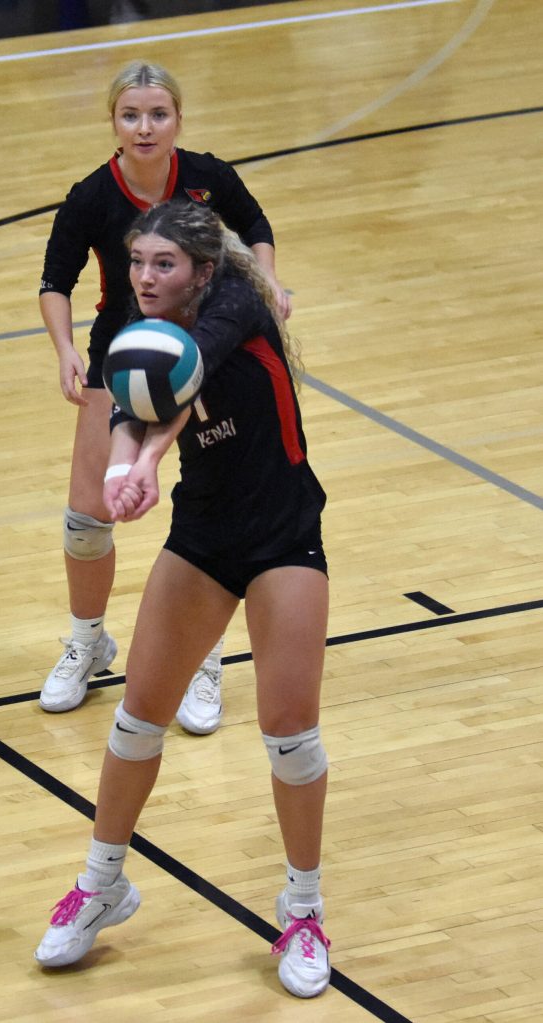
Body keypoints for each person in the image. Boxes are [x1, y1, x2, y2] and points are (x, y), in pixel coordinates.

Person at [34, 201, 331, 999]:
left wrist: (152, 460)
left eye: (162, 264)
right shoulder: (144, 316)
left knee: (288, 732)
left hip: (281, 536)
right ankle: (102, 885)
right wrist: (117, 473)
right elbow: (135, 407)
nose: (144, 277)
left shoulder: (237, 299)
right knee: (137, 720)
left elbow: (180, 378)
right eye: (137, 263)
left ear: (201, 268)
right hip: (203, 538)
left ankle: (302, 909)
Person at [38, 60, 291, 733]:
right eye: (130, 115)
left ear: (177, 119)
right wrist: (65, 350)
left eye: (157, 114)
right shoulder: (93, 195)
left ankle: (203, 661)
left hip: (211, 360)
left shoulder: (208, 178)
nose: (144, 127)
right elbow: (53, 282)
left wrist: (269, 284)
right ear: (113, 123)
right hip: (122, 362)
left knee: (212, 513)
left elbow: (257, 226)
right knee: (87, 522)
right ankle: (88, 640)